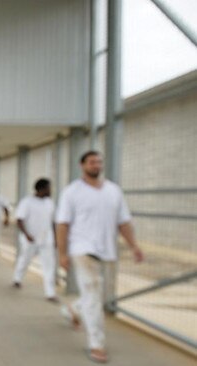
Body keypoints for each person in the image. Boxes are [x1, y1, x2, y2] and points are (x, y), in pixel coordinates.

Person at [56, 151, 144, 364]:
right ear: (82, 165)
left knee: (96, 296)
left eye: (99, 161)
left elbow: (123, 221)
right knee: (94, 296)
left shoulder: (113, 191)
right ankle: (96, 344)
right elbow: (62, 224)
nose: (96, 165)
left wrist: (134, 245)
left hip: (106, 251)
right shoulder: (71, 192)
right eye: (92, 161)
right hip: (82, 249)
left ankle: (73, 309)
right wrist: (62, 253)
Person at [12, 178, 57, 301]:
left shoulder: (50, 203)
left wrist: (56, 238)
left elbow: (52, 221)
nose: (50, 190)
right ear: (41, 189)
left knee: (49, 266)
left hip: (47, 239)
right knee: (25, 259)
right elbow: (19, 220)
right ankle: (17, 278)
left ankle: (50, 293)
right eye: (49, 188)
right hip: (30, 238)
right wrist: (26, 234)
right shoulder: (27, 202)